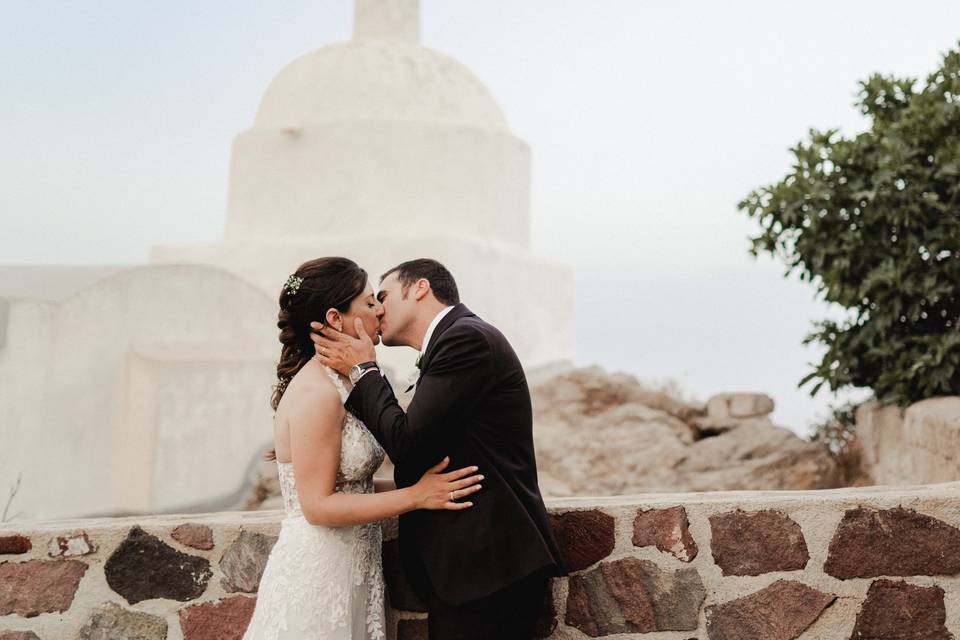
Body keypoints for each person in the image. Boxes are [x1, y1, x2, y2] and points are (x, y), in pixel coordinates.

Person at [312, 258, 565, 640]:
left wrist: (365, 371)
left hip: (490, 568)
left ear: (420, 288)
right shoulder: (454, 340)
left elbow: (407, 445)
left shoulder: (465, 339)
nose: (378, 310)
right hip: (474, 570)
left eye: (383, 297)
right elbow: (424, 445)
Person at [243, 257, 483, 640]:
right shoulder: (318, 393)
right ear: (336, 319)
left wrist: (421, 485)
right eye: (370, 303)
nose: (380, 310)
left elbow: (354, 487)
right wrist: (416, 497)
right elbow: (319, 506)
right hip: (319, 574)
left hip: (354, 568)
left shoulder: (344, 386)